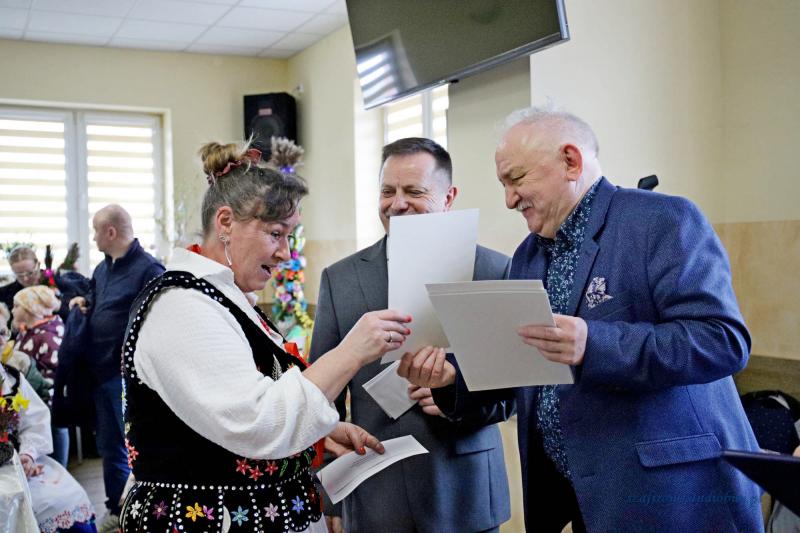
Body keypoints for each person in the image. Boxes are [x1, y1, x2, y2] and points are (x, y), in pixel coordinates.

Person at [399, 107, 764, 532]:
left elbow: (722, 340)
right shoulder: (528, 255)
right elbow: (521, 362)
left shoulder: (662, 220)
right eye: (503, 185)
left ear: (571, 162)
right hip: (585, 497)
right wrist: (454, 378)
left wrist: (594, 343)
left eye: (516, 179)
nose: (509, 200)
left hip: (673, 497)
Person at [117, 141, 411, 533]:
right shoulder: (180, 306)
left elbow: (251, 395)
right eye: (276, 233)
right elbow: (256, 421)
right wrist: (351, 352)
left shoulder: (229, 300)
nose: (286, 253)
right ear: (225, 222)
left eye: (290, 236)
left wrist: (320, 431)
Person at [310, 137, 514, 533]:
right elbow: (323, 396)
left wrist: (455, 395)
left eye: (414, 192)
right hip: (375, 494)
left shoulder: (493, 271)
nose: (397, 204)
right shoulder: (340, 279)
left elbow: (514, 395)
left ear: (448, 197)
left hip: (467, 492)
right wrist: (330, 497)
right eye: (387, 191)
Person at [68, 204, 165, 533]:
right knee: (109, 446)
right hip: (99, 374)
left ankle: (141, 510)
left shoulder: (149, 269)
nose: (94, 238)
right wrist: (84, 303)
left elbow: (159, 321)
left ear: (110, 232)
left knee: (137, 447)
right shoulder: (101, 268)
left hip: (127, 378)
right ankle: (117, 507)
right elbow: (96, 299)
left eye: (96, 231)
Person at [1, 362, 97, 532]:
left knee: (64, 499)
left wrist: (28, 455)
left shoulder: (10, 378)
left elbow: (34, 421)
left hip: (17, 463)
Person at [11, 285, 70, 467]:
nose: (13, 311)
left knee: (55, 433)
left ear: (31, 308)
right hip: (32, 399)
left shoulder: (47, 336)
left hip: (48, 402)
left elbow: (55, 373)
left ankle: (59, 468)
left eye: (16, 306)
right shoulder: (28, 332)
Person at [0, 245, 88, 326]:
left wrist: (58, 306)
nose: (25, 278)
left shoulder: (58, 283)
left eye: (30, 273)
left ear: (38, 265)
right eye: (19, 275)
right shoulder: (5, 294)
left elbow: (76, 317)